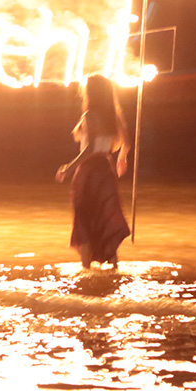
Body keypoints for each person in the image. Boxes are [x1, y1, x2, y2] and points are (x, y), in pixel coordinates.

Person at [55, 73, 131, 269]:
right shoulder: (113, 116)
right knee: (104, 216)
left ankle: (86, 271)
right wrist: (122, 159)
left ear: (90, 93)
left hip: (89, 173)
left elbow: (89, 149)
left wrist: (68, 167)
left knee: (85, 219)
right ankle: (114, 268)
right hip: (105, 170)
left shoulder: (89, 116)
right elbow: (127, 143)